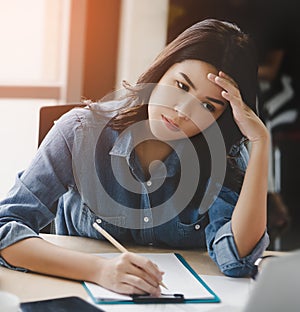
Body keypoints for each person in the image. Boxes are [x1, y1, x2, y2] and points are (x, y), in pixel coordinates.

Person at [0, 19, 269, 297]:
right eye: (181, 85)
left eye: (207, 106)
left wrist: (261, 142)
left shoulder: (224, 156)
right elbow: (5, 227)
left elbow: (237, 260)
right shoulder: (81, 132)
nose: (182, 110)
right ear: (161, 71)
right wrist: (98, 270)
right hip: (79, 296)